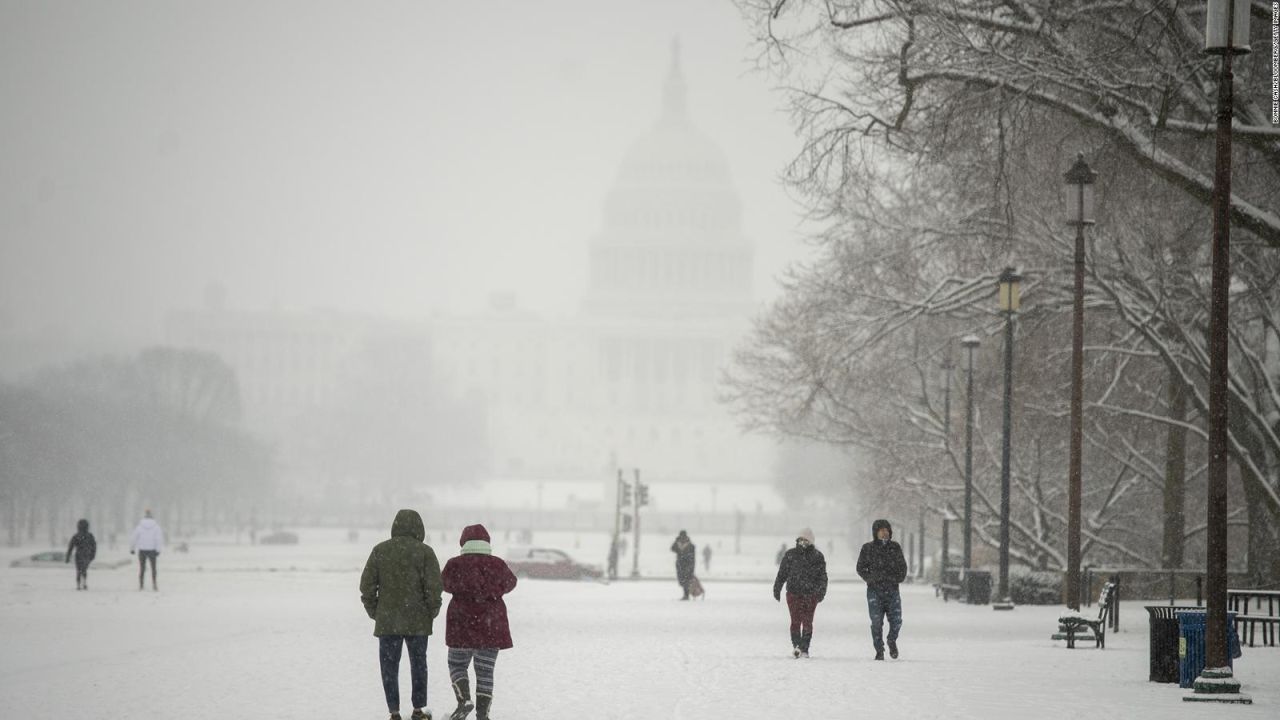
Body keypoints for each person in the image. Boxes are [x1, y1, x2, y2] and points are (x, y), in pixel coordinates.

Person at [360, 509, 443, 720]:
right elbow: (434, 588)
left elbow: (366, 586)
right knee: (418, 665)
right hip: (418, 622)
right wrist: (430, 612)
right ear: (419, 527)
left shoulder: (380, 550)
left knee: (389, 667)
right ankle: (418, 710)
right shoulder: (425, 552)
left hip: (388, 621)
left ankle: (394, 711)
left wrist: (376, 612)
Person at [442, 524, 517, 720]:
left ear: (464, 542)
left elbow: (444, 584)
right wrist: (492, 591)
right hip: (491, 625)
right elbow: (511, 583)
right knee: (485, 672)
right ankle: (482, 714)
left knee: (457, 665)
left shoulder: (454, 564)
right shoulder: (497, 564)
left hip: (460, 624)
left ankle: (464, 700)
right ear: (486, 542)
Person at [856, 518, 908, 660]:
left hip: (892, 590)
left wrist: (897, 578)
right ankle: (879, 649)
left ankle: (892, 640)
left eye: (886, 530)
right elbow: (860, 568)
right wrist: (871, 579)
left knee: (896, 620)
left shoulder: (895, 547)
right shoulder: (867, 548)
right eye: (881, 530)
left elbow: (902, 567)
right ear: (876, 533)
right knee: (876, 622)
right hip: (875, 591)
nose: (884, 533)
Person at [773, 528, 828, 658]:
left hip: (811, 595)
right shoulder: (790, 554)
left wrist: (821, 592)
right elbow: (782, 573)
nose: (804, 542)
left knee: (808, 622)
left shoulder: (817, 556)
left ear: (811, 541)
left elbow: (823, 576)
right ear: (798, 540)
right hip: (793, 593)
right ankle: (797, 646)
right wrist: (777, 588)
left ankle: (805, 649)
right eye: (802, 539)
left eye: (807, 539)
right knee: (795, 621)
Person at [130, 509, 164, 591]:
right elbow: (158, 539)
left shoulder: (139, 526)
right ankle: (154, 584)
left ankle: (141, 585)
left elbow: (134, 538)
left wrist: (132, 548)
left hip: (142, 549)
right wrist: (158, 549)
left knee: (142, 568)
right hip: (152, 550)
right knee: (153, 568)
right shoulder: (156, 527)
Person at [65, 518, 97, 591]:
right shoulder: (89, 536)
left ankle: (79, 584)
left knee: (78, 570)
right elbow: (94, 546)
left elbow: (71, 547)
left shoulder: (76, 536)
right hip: (87, 555)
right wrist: (93, 555)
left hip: (78, 555)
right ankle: (84, 583)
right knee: (84, 569)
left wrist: (68, 556)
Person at [670, 530, 696, 600]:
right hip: (680, 564)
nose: (682, 537)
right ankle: (686, 595)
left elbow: (692, 557)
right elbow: (672, 548)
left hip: (687, 565)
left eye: (683, 536)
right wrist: (677, 541)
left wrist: (691, 566)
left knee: (686, 580)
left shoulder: (690, 545)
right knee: (682, 580)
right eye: (681, 536)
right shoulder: (678, 543)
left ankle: (686, 595)